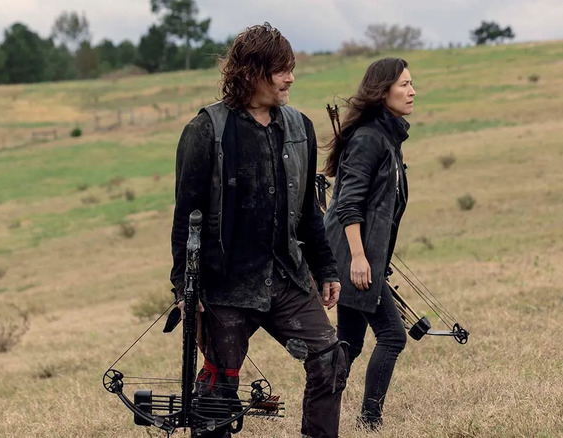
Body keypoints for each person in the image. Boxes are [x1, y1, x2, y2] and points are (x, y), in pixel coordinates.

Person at [170, 23, 347, 438]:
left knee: (329, 358)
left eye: (291, 68)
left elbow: (308, 211)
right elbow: (185, 219)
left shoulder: (300, 128)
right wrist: (184, 289)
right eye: (280, 70)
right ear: (250, 72)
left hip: (286, 275)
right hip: (226, 283)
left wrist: (327, 269)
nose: (290, 78)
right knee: (219, 384)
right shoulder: (205, 131)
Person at [322, 57, 416, 430]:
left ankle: (320, 403)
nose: (412, 91)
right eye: (404, 85)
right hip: (354, 257)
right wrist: (359, 258)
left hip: (357, 256)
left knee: (348, 344)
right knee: (392, 337)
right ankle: (369, 422)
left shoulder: (386, 136)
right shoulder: (368, 138)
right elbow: (347, 204)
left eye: (411, 84)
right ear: (383, 92)